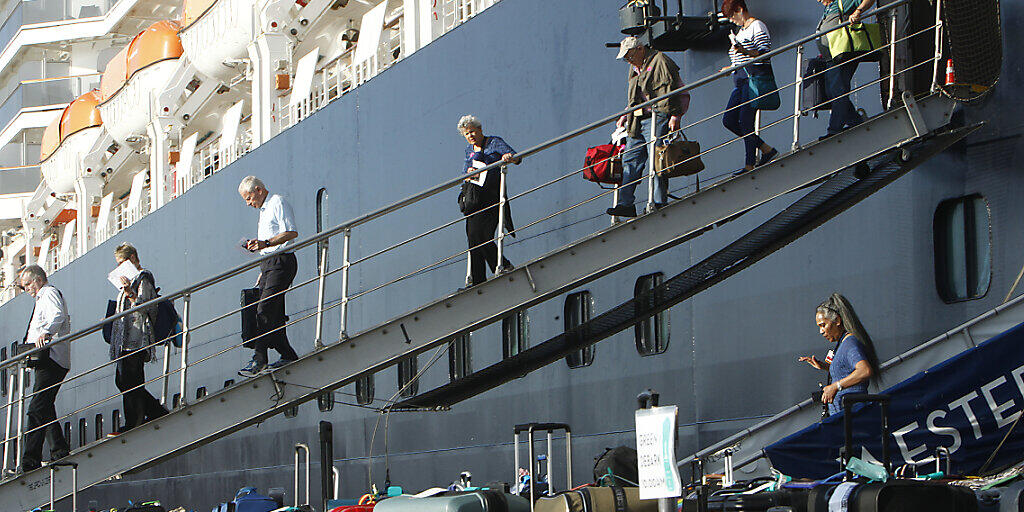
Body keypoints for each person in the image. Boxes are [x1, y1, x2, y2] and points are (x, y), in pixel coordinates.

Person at [610, 36, 689, 218]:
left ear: (640, 49)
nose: (627, 59)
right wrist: (625, 115)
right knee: (630, 160)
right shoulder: (634, 67)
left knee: (658, 160)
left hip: (658, 117)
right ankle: (625, 204)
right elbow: (635, 98)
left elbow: (677, 90)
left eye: (629, 55)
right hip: (637, 120)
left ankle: (659, 202)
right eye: (625, 57)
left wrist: (676, 115)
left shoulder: (660, 60)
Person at [237, 176, 300, 377]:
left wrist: (266, 243)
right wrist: (261, 253)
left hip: (282, 261)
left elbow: (291, 232)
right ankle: (287, 353)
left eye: (248, 198)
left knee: (264, 310)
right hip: (268, 264)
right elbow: (267, 243)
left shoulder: (277, 203)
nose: (248, 203)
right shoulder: (263, 210)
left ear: (258, 190)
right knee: (272, 312)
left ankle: (259, 358)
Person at [108, 243, 167, 434]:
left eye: (122, 261)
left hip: (137, 338)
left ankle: (136, 421)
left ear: (133, 258)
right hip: (124, 339)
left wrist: (130, 293)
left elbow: (147, 307)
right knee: (123, 380)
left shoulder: (143, 279)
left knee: (131, 379)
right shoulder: (129, 280)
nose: (120, 267)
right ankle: (153, 412)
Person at [18, 264, 71, 471]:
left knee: (36, 409)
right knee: (45, 407)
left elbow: (57, 315)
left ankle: (30, 459)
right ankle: (58, 449)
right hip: (47, 360)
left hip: (52, 359)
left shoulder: (48, 293)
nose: (27, 290)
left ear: (38, 280)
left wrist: (46, 333)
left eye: (27, 285)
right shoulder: (44, 296)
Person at [720, 0, 779, 175]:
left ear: (740, 9)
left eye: (732, 16)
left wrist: (744, 51)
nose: (732, 20)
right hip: (740, 82)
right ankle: (766, 149)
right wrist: (730, 68)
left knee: (745, 120)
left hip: (752, 80)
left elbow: (764, 53)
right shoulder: (741, 31)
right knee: (729, 120)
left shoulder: (757, 26)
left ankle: (749, 165)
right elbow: (740, 58)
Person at [457, 115, 517, 287]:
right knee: (472, 237)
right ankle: (477, 280)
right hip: (475, 198)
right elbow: (464, 173)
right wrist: (469, 172)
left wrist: (507, 158)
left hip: (491, 195)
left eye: (472, 132)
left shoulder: (494, 142)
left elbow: (516, 157)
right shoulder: (469, 150)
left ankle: (503, 265)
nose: (470, 136)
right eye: (467, 134)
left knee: (482, 236)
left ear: (480, 129)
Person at [799, 293, 882, 415]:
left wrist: (835, 387)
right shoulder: (843, 344)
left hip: (852, 419)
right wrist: (825, 367)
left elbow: (865, 371)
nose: (821, 331)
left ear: (837, 320)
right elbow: (847, 371)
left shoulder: (849, 344)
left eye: (823, 325)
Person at [816, 0, 877, 138]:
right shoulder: (830, 7)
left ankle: (834, 130)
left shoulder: (844, 2)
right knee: (831, 92)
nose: (819, 0)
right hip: (831, 57)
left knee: (838, 91)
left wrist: (858, 11)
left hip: (841, 54)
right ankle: (855, 121)